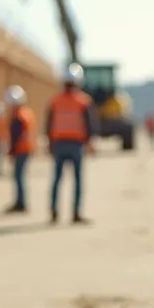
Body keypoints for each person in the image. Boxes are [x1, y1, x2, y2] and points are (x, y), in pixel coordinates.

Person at [47, 62, 96, 224]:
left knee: (57, 180)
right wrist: (90, 143)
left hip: (60, 143)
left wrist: (50, 143)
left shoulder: (55, 101)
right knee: (77, 181)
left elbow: (49, 124)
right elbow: (89, 125)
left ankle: (54, 212)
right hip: (76, 144)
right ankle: (75, 213)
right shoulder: (83, 101)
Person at [4, 84, 37, 213]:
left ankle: (20, 203)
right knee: (20, 177)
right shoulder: (27, 113)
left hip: (21, 150)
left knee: (18, 177)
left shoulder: (18, 116)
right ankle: (20, 202)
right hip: (27, 149)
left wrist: (11, 151)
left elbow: (15, 136)